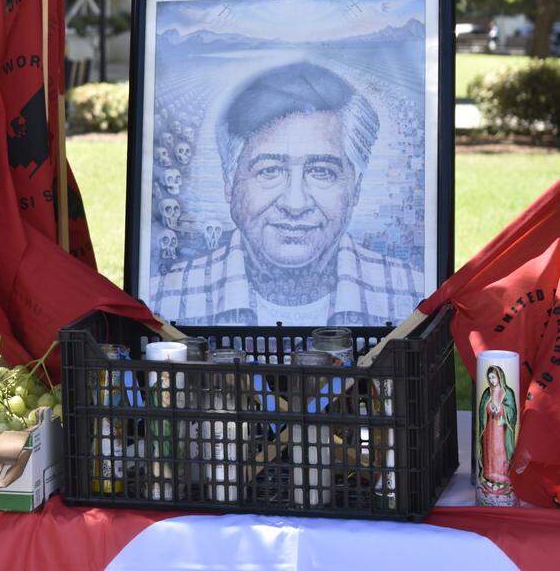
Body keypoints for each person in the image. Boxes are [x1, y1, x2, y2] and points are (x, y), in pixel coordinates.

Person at [156, 62, 423, 326]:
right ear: (230, 182)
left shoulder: (415, 299)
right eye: (270, 170)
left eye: (322, 172)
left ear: (356, 188)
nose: (295, 203)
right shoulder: (164, 301)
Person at [476, 364, 518, 498]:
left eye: (494, 377)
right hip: (489, 428)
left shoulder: (508, 392)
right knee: (490, 451)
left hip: (501, 429)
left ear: (500, 377)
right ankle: (489, 477)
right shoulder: (487, 392)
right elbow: (483, 407)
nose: (492, 380)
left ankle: (502, 479)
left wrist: (500, 409)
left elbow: (512, 411)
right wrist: (489, 407)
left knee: (500, 451)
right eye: (490, 378)